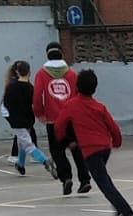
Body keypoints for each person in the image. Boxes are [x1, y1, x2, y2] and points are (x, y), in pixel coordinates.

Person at [54, 69, 133, 216]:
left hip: (90, 149)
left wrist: (64, 140)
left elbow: (59, 125)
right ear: (95, 87)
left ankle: (127, 212)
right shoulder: (99, 106)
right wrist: (117, 142)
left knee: (103, 183)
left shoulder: (71, 105)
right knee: (104, 178)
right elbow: (113, 126)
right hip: (105, 147)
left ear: (77, 86)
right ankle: (119, 209)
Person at [32, 41, 92, 197]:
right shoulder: (71, 73)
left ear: (47, 55)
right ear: (61, 54)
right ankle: (85, 179)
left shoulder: (41, 73)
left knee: (57, 150)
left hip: (53, 120)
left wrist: (39, 113)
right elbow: (80, 94)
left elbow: (38, 95)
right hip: (71, 119)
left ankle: (66, 178)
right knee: (76, 148)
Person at [2, 61, 58, 179]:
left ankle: (45, 161)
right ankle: (21, 165)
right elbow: (35, 104)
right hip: (28, 119)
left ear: (17, 72)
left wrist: (12, 116)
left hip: (17, 121)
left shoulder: (11, 87)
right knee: (22, 141)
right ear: (29, 72)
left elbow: (6, 103)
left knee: (27, 144)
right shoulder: (31, 88)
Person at [3, 64, 37, 164]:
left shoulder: (23, 84)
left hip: (16, 113)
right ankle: (40, 158)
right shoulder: (14, 85)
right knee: (23, 132)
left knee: (24, 132)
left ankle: (20, 162)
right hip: (12, 112)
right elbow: (8, 101)